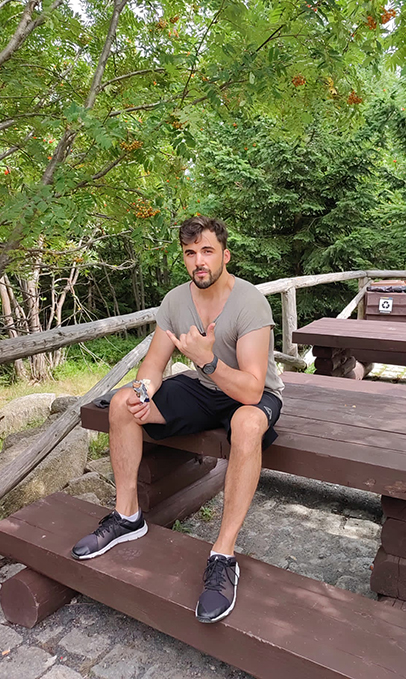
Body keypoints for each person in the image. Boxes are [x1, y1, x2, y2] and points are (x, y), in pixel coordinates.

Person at [72, 216, 284, 624]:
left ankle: (223, 554)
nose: (198, 261)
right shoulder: (174, 302)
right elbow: (153, 365)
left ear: (225, 255)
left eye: (207, 251)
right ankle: (127, 516)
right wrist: (142, 392)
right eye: (190, 253)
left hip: (251, 394)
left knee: (246, 424)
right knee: (121, 403)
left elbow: (252, 389)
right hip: (203, 388)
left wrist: (207, 359)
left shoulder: (250, 302)